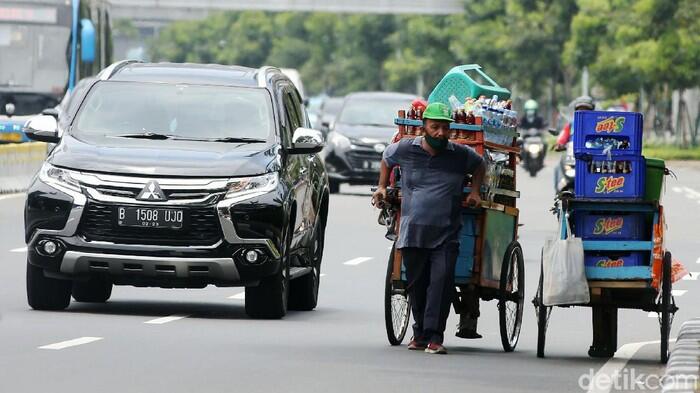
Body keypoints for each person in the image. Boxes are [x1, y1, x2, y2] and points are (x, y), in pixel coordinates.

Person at [372, 102, 486, 355]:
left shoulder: (459, 154)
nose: (440, 133)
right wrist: (381, 186)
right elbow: (386, 159)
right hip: (413, 232)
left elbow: (480, 166)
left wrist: (475, 191)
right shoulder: (406, 149)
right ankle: (419, 333)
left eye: (445, 128)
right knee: (417, 285)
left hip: (446, 233)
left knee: (441, 284)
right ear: (424, 127)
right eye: (435, 127)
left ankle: (435, 337)